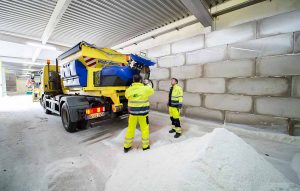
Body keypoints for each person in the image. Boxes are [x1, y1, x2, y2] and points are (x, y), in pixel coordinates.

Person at [123, 75, 154, 153]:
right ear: (141, 80)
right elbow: (152, 91)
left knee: (130, 129)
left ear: (133, 80)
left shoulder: (129, 89)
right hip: (143, 113)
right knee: (144, 129)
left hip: (132, 114)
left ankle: (127, 146)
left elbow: (126, 96)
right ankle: (145, 146)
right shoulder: (145, 88)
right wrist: (146, 84)